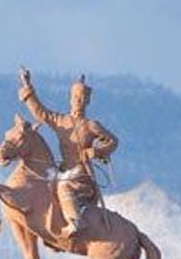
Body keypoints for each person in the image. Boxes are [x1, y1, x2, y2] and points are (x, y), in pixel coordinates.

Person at [18, 67, 118, 242]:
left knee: (64, 187)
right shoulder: (61, 121)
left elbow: (113, 141)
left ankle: (76, 222)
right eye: (76, 98)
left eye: (82, 99)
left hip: (82, 175)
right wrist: (27, 85)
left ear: (87, 102)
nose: (79, 101)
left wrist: (97, 151)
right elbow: (41, 112)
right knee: (43, 187)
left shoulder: (91, 125)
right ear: (70, 100)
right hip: (64, 170)